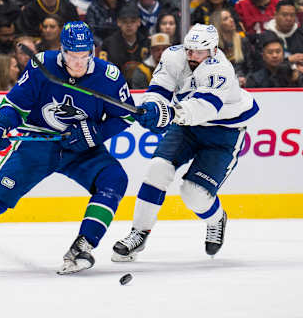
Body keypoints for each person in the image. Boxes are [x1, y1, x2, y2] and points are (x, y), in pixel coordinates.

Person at [0, 21, 135, 274]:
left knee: (114, 179)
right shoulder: (42, 65)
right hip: (39, 144)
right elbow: (16, 105)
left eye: (84, 56)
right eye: (73, 56)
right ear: (63, 51)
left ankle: (82, 246)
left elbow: (126, 117)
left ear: (92, 52)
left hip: (82, 148)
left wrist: (93, 134)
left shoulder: (109, 76)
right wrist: (0, 125)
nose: (78, 62)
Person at [111, 24, 259, 262]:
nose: (191, 56)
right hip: (188, 126)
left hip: (223, 133)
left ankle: (216, 218)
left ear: (212, 50)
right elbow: (159, 87)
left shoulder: (220, 69)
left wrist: (169, 114)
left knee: (193, 194)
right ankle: (138, 233)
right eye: (189, 50)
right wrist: (153, 106)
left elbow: (205, 107)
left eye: (198, 52)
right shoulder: (173, 56)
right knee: (158, 169)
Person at [210, 8, 254, 87]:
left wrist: (246, 79)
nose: (231, 20)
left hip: (244, 84)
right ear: (218, 24)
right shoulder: (213, 46)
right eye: (226, 19)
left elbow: (251, 66)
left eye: (230, 17)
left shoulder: (243, 40)